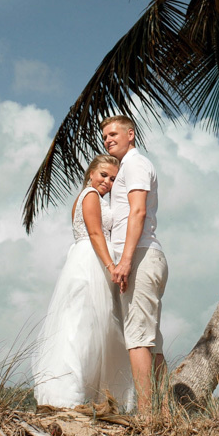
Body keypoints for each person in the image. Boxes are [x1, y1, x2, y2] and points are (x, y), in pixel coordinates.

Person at [32, 155, 134, 409]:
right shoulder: (90, 195)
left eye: (112, 178)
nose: (107, 182)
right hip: (90, 260)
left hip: (92, 258)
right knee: (80, 325)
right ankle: (67, 393)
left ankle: (91, 395)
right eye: (103, 175)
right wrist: (111, 266)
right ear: (91, 173)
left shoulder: (96, 197)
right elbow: (95, 232)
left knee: (94, 327)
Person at [101, 115, 168, 413]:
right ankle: (165, 412)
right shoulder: (127, 166)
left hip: (139, 255)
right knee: (151, 340)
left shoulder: (136, 164)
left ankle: (145, 415)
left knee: (138, 337)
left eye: (114, 133)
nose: (108, 139)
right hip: (141, 255)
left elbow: (138, 212)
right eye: (104, 136)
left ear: (131, 134)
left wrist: (125, 261)